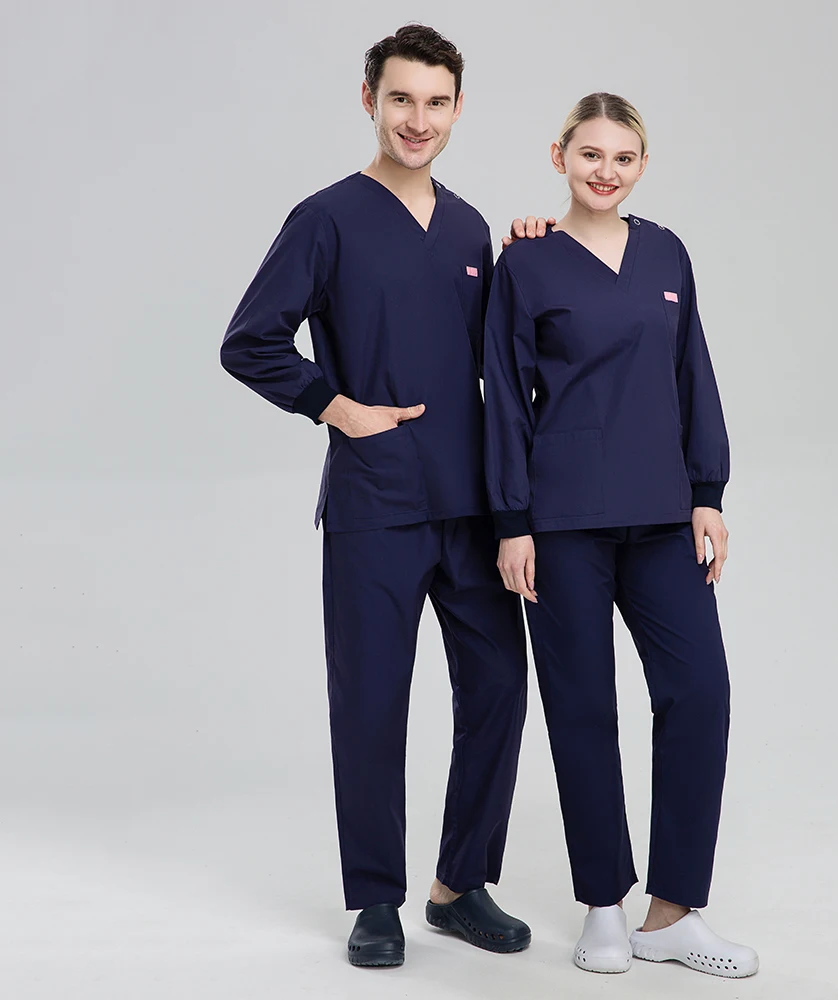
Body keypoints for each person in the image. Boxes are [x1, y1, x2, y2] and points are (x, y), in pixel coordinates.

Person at [220, 25, 548, 968]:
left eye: (436, 102)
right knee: (370, 701)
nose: (418, 119)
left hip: (473, 505)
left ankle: (459, 885)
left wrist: (535, 254)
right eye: (401, 98)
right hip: (375, 503)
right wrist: (335, 407)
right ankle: (376, 899)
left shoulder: (471, 229)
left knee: (498, 687)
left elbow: (503, 355)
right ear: (370, 100)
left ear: (458, 110)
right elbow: (250, 340)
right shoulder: (327, 218)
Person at [484, 93, 759, 977]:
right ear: (559, 156)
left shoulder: (668, 252)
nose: (606, 171)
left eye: (624, 157)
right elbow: (503, 396)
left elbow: (693, 372)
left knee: (700, 691)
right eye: (591, 154)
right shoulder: (525, 264)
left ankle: (672, 913)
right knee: (582, 707)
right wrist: (512, 521)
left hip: (663, 513)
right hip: (561, 522)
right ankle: (602, 905)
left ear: (642, 165)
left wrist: (708, 492)